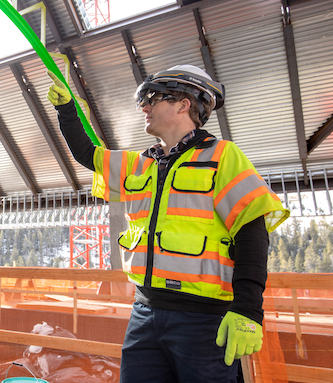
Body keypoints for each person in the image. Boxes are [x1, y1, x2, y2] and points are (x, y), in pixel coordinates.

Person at [47, 64, 289, 383]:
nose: (144, 107)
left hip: (203, 319)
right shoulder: (139, 164)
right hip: (145, 312)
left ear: (182, 103)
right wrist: (67, 110)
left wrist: (248, 311)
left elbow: (252, 235)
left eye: (153, 98)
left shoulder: (222, 157)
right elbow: (86, 153)